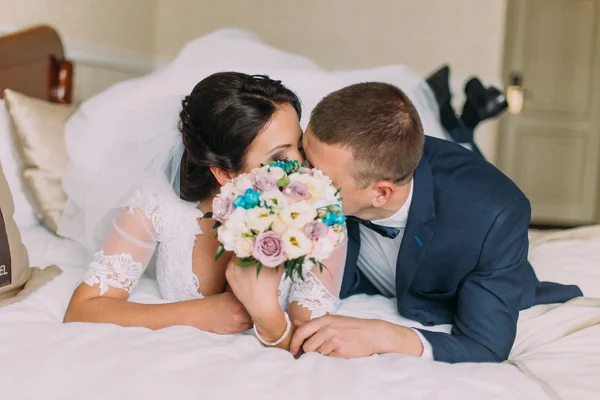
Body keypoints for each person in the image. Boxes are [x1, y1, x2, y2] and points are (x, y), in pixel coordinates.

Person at [265, 81, 582, 363]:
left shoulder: (493, 218)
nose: (301, 176)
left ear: (381, 193)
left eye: (320, 175)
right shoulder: (329, 171)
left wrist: (387, 336)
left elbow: (486, 345)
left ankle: (462, 129)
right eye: (305, 157)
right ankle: (461, 128)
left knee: (470, 185)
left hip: (468, 216)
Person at [61, 72, 345, 347]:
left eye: (300, 146)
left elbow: (312, 340)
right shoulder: (158, 204)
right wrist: (196, 313)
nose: (304, 165)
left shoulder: (318, 213)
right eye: (280, 156)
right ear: (224, 173)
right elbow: (83, 309)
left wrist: (268, 317)